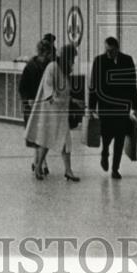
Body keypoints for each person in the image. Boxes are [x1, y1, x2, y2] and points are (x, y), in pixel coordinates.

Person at [25, 44, 83, 182]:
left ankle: (68, 171)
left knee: (65, 140)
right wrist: (58, 100)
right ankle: (38, 166)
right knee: (48, 139)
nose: (73, 61)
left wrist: (73, 101)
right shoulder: (53, 67)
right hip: (51, 111)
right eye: (73, 57)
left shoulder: (63, 69)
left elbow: (64, 91)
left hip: (61, 111)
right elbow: (48, 88)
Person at [87, 36, 137, 179]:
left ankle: (115, 168)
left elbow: (132, 84)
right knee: (107, 134)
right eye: (106, 50)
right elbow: (94, 85)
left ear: (117, 48)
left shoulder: (127, 60)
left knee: (120, 137)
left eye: (111, 50)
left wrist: (135, 105)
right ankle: (104, 152)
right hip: (106, 106)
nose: (108, 53)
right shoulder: (99, 61)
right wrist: (91, 107)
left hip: (122, 106)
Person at [20, 39, 54, 176]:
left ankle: (38, 162)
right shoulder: (30, 66)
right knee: (37, 135)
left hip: (45, 104)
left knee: (43, 135)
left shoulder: (50, 66)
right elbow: (22, 87)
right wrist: (27, 99)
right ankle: (41, 162)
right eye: (49, 53)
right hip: (33, 104)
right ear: (44, 52)